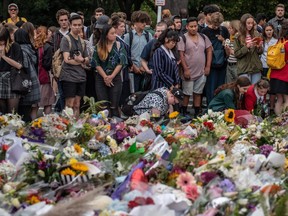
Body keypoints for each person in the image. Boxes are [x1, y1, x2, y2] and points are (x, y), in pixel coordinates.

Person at [178, 17, 212, 117]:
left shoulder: (203, 37)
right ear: (187, 27)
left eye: (195, 26)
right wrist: (185, 69)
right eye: (191, 26)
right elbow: (181, 54)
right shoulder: (182, 38)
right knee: (187, 93)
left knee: (198, 92)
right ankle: (184, 112)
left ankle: (197, 112)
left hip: (201, 70)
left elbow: (209, 50)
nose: (194, 28)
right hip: (189, 70)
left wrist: (208, 66)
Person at [91, 25, 127, 117]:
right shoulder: (98, 46)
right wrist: (105, 77)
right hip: (101, 78)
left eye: (115, 33)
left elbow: (121, 62)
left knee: (114, 105)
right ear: (106, 35)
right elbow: (96, 63)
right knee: (103, 105)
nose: (115, 35)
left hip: (115, 77)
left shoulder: (119, 45)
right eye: (112, 33)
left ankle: (116, 126)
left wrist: (111, 77)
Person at [59, 13, 89, 118]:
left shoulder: (82, 41)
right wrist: (81, 61)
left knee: (77, 104)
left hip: (81, 76)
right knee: (69, 104)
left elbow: (88, 58)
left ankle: (76, 127)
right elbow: (67, 59)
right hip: (69, 76)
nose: (77, 27)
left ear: (82, 25)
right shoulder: (66, 39)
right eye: (74, 25)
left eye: (79, 25)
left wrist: (82, 59)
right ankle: (66, 126)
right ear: (70, 25)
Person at [202, 12, 230, 105]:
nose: (216, 26)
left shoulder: (224, 30)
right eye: (214, 24)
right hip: (210, 63)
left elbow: (228, 44)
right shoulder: (204, 31)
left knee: (221, 87)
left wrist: (223, 40)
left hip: (222, 62)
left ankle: (219, 106)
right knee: (210, 87)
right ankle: (210, 106)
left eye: (218, 25)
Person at [14, 29, 40, 122]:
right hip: (32, 83)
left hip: (23, 85)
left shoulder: (21, 50)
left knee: (23, 114)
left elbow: (23, 66)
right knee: (27, 111)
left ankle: (24, 135)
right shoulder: (30, 48)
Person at [124, 11, 153, 93]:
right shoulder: (128, 36)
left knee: (144, 93)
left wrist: (144, 66)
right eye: (142, 22)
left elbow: (150, 53)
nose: (144, 24)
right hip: (133, 70)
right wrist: (133, 66)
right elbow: (126, 53)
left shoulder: (148, 35)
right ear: (135, 22)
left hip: (145, 69)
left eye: (145, 22)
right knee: (133, 93)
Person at [234, 13, 263, 84]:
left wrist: (259, 47)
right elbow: (236, 54)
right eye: (248, 23)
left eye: (252, 23)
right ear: (243, 23)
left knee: (255, 90)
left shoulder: (257, 34)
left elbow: (260, 52)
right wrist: (247, 47)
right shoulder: (238, 36)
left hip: (255, 67)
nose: (250, 25)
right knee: (244, 91)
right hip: (244, 68)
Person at [0, 26, 23, 114]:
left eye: (2, 40)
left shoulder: (15, 46)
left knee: (12, 112)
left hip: (12, 79)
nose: (1, 42)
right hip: (0, 79)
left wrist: (4, 56)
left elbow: (19, 65)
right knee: (2, 112)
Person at [33, 26, 55, 117]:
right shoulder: (48, 47)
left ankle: (31, 126)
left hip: (34, 77)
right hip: (44, 77)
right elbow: (47, 65)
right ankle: (47, 124)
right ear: (46, 34)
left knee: (34, 106)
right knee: (48, 102)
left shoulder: (33, 45)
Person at [140, 21, 167, 90]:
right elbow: (143, 60)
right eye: (158, 31)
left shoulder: (170, 44)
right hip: (153, 76)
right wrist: (147, 70)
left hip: (166, 76)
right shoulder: (151, 43)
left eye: (162, 31)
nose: (160, 33)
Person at [52, 9, 70, 113]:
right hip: (60, 68)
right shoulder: (56, 35)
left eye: (65, 19)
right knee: (62, 94)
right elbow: (54, 54)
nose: (64, 22)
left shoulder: (73, 33)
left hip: (72, 67)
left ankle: (60, 110)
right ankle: (63, 113)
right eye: (61, 20)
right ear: (58, 21)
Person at [270, 19, 288, 116]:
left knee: (279, 99)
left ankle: (279, 120)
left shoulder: (279, 41)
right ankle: (285, 123)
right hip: (285, 74)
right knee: (286, 99)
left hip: (275, 74)